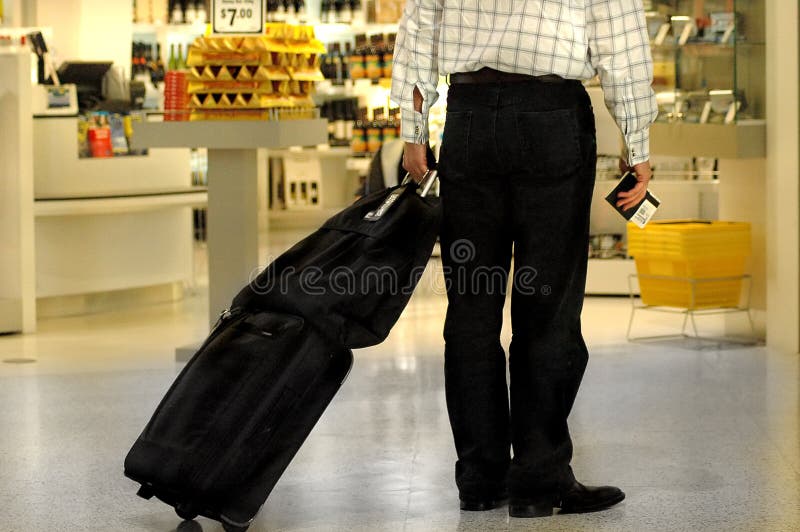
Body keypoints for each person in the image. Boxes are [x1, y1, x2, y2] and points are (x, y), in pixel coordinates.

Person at [391, 0, 658, 519]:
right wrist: (638, 141)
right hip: (552, 119)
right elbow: (620, 42)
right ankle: (539, 480)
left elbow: (419, 28)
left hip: (468, 119)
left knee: (471, 311)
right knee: (547, 309)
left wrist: (413, 130)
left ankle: (481, 479)